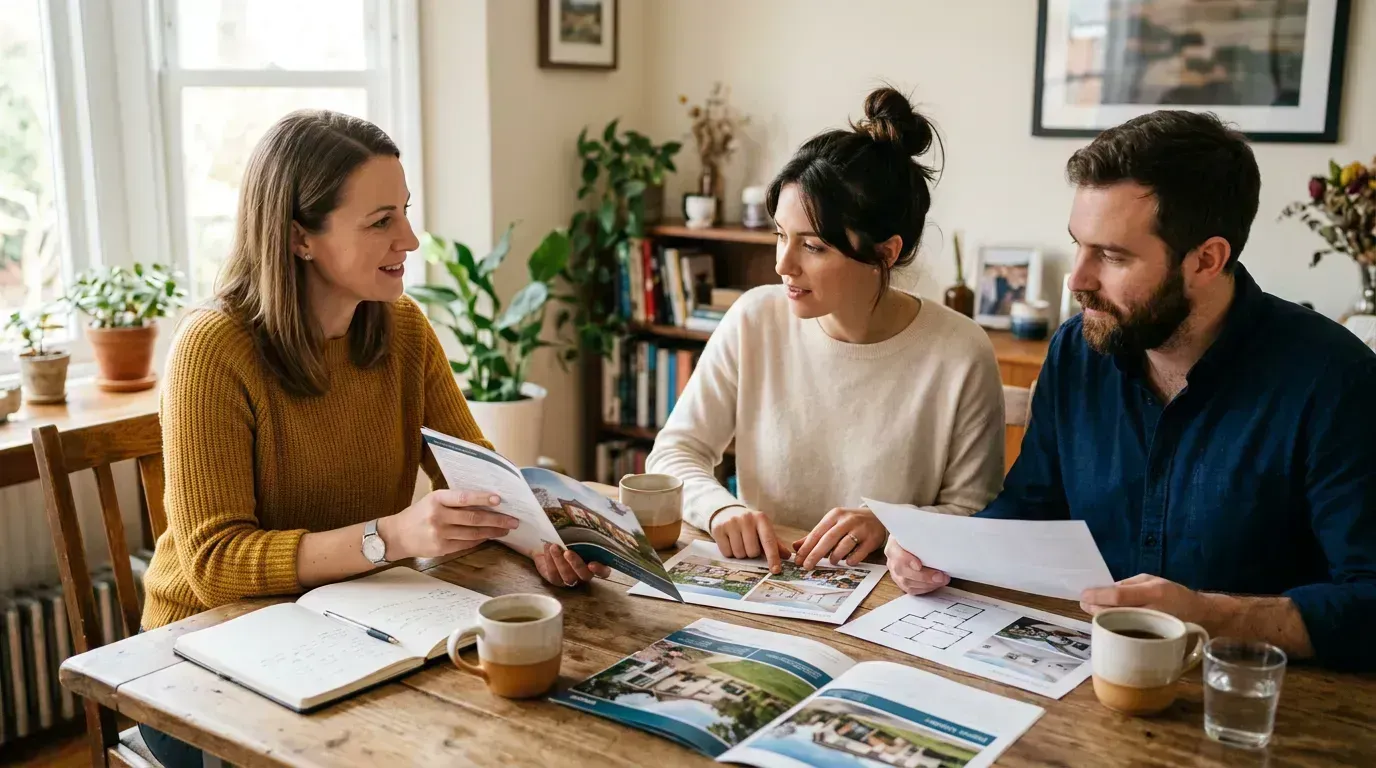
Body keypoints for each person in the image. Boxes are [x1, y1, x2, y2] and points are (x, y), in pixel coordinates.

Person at [138, 111, 606, 766]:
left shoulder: (402, 327)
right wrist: (392, 537)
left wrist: (549, 536)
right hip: (199, 658)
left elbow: (477, 475)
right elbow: (215, 566)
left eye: (405, 212)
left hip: (351, 624)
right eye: (381, 220)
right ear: (299, 238)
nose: (409, 239)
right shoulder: (213, 349)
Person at [885, 110, 1376, 672]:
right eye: (1078, 245)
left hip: (1251, 693)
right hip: (1079, 677)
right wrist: (939, 548)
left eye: (1113, 256)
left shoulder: (1335, 380)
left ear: (1206, 260)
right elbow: (1032, 508)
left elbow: (1369, 597)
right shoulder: (1077, 351)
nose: (1077, 280)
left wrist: (1211, 614)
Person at [647, 88, 1005, 575]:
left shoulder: (960, 351)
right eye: (780, 235)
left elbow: (976, 515)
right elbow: (674, 453)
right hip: (765, 580)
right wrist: (720, 510)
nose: (782, 264)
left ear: (886, 252)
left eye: (812, 246)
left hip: (893, 596)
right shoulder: (753, 320)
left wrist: (889, 525)